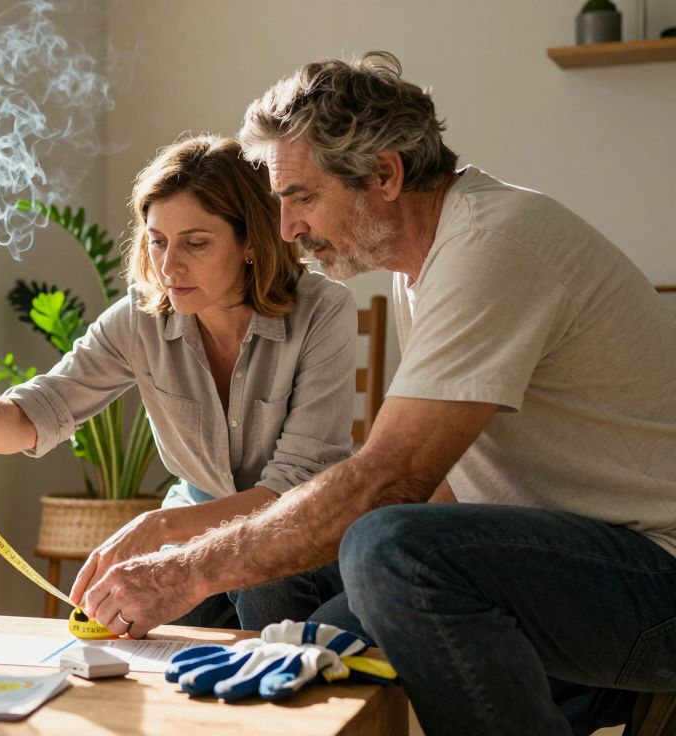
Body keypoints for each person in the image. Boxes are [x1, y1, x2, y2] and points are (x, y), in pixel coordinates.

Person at [78, 52, 676, 736]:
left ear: (385, 174)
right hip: (566, 559)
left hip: (656, 579)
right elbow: (449, 484)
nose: (286, 229)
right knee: (281, 580)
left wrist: (187, 570)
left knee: (388, 546)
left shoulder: (493, 245)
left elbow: (393, 480)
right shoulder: (424, 263)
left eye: (301, 196)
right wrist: (305, 626)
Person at [0, 134, 360, 631]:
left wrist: (158, 527)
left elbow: (289, 492)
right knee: (135, 625)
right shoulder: (140, 320)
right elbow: (31, 420)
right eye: (158, 241)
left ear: (250, 242)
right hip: (190, 532)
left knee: (265, 581)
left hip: (294, 532)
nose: (169, 266)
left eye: (196, 244)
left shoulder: (323, 311)